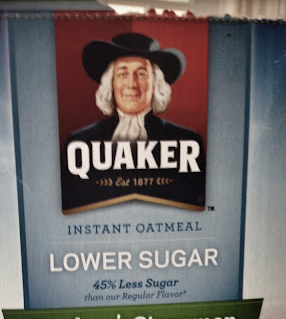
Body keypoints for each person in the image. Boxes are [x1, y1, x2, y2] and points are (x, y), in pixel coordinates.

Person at [61, 32, 206, 213]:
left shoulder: (187, 142)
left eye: (141, 74)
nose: (131, 84)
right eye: (123, 74)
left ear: (156, 85)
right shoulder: (79, 144)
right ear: (111, 83)